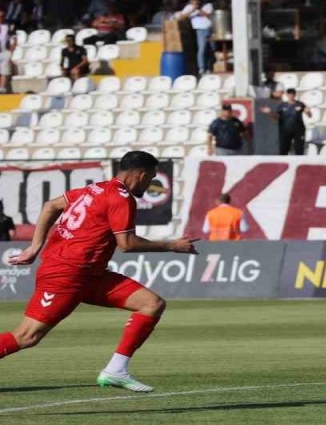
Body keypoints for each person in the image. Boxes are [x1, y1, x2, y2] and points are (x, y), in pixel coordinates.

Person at [0, 151, 200, 392]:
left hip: (90, 273)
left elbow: (51, 205)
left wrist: (35, 246)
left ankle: (116, 370)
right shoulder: (122, 198)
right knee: (27, 336)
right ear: (142, 174)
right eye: (151, 179)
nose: (149, 185)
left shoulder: (95, 189)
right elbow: (127, 245)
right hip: (66, 273)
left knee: (151, 304)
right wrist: (171, 245)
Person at [261, 88, 312, 156]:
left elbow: (309, 115)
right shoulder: (282, 105)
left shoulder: (300, 104)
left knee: (299, 150)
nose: (291, 95)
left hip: (298, 130)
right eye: (289, 94)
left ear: (295, 94)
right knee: (283, 150)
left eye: (293, 94)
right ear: (287, 95)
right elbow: (276, 118)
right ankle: (282, 165)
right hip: (285, 130)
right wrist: (270, 112)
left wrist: (308, 112)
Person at [179, 0, 214, 75]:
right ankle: (201, 68)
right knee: (202, 49)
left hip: (209, 29)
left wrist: (198, 9)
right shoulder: (189, 7)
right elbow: (181, 17)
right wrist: (192, 10)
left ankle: (209, 67)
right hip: (200, 30)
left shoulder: (208, 6)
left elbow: (208, 15)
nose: (195, 2)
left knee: (211, 49)